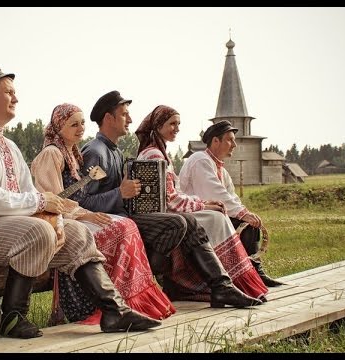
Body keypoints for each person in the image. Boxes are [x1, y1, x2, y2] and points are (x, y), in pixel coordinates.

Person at [0, 65, 161, 339]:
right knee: (38, 231)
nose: (16, 98)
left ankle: (114, 311)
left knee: (76, 233)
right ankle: (12, 317)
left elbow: (30, 195)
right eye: (9, 92)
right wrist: (42, 202)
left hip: (0, 225)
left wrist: (54, 215)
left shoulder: (9, 145)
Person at [79, 90, 262, 308]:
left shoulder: (115, 152)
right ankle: (175, 281)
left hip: (127, 215)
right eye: (124, 114)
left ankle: (221, 288)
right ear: (108, 118)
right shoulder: (96, 152)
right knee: (179, 222)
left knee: (190, 221)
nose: (130, 120)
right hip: (115, 221)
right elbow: (82, 201)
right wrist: (119, 193)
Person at [30, 102, 176, 323]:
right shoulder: (51, 153)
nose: (80, 129)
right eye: (73, 125)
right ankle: (109, 305)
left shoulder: (73, 153)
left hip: (76, 215)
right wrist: (85, 214)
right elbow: (52, 200)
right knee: (121, 228)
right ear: (59, 127)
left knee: (126, 225)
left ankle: (128, 301)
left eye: (81, 124)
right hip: (61, 220)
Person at [135, 105, 268, 302]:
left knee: (218, 216)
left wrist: (204, 204)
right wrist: (202, 205)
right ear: (158, 125)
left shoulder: (162, 153)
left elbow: (176, 194)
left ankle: (232, 281)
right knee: (215, 218)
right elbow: (170, 199)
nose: (177, 128)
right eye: (172, 124)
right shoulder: (155, 154)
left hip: (172, 210)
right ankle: (229, 282)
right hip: (161, 215)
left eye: (178, 124)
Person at [179, 120, 284, 287]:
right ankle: (243, 275)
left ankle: (253, 270)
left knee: (249, 225)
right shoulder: (200, 159)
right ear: (215, 141)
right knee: (245, 221)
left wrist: (245, 213)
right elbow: (215, 193)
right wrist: (243, 214)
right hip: (195, 215)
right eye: (229, 140)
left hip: (211, 213)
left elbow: (232, 197)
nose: (234, 145)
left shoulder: (221, 169)